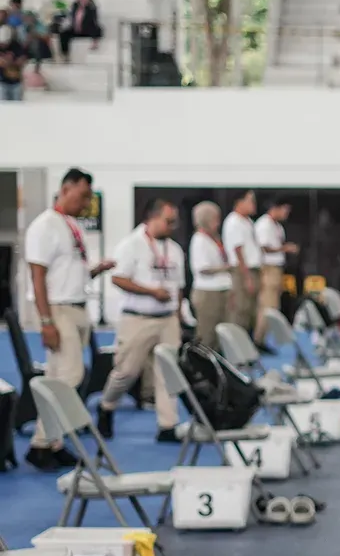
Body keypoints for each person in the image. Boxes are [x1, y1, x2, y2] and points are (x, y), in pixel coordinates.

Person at [24, 168, 115, 471]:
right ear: (66, 188)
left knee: (57, 377)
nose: (87, 202)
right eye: (83, 195)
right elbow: (37, 276)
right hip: (58, 309)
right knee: (70, 377)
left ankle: (53, 443)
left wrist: (96, 270)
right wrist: (46, 320)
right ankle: (40, 444)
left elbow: (68, 272)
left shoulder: (71, 225)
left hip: (76, 307)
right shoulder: (45, 226)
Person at [96, 200, 186, 441]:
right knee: (126, 371)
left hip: (167, 319)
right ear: (152, 218)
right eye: (168, 221)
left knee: (167, 373)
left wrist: (179, 317)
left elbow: (179, 287)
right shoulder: (131, 245)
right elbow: (118, 279)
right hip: (137, 319)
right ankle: (106, 406)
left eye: (174, 221)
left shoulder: (175, 249)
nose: (172, 226)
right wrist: (151, 292)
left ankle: (167, 425)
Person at [253, 196, 297, 348]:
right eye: (285, 210)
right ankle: (258, 339)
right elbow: (264, 247)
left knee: (273, 305)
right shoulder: (264, 224)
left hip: (277, 269)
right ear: (276, 208)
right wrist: (286, 248)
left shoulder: (277, 226)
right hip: (268, 268)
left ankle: (264, 338)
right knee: (267, 305)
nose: (287, 214)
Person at [189, 201, 232, 349]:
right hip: (208, 292)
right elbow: (202, 268)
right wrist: (225, 268)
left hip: (221, 289)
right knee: (207, 334)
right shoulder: (199, 240)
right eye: (215, 219)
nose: (218, 223)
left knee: (219, 334)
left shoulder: (213, 238)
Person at [221, 190, 261, 336]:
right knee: (241, 310)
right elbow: (238, 251)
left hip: (253, 269)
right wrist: (247, 277)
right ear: (239, 202)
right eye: (250, 201)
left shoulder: (248, 222)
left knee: (251, 311)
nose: (253, 205)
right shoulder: (233, 222)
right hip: (242, 270)